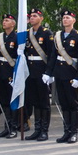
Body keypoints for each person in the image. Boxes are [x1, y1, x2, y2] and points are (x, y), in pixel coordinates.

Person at [46, 9, 78, 144]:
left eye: (68, 17)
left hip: (71, 74)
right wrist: (49, 73)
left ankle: (74, 132)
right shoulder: (58, 36)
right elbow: (53, 56)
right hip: (59, 73)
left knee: (73, 104)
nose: (65, 19)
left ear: (73, 20)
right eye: (64, 17)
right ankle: (66, 131)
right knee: (63, 104)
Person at [0, 13, 20, 138]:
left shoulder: (17, 37)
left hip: (11, 73)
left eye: (7, 20)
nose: (4, 22)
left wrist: (16, 75)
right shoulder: (0, 37)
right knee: (4, 102)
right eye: (4, 20)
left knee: (12, 102)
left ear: (13, 23)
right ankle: (7, 127)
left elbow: (19, 58)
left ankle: (14, 128)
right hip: (0, 73)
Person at [24, 8, 53, 141]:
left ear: (41, 18)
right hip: (30, 72)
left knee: (44, 103)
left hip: (42, 71)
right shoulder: (26, 34)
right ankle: (37, 129)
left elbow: (52, 55)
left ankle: (44, 131)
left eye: (35, 16)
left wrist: (49, 72)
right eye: (31, 16)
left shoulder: (47, 34)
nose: (32, 18)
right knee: (35, 102)